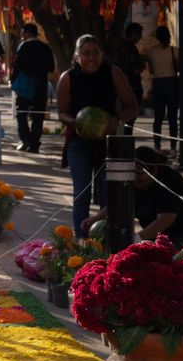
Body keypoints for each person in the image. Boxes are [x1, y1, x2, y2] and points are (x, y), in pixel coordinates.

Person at [55, 35, 139, 237]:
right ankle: (82, 242)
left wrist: (116, 119)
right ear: (77, 56)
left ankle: (105, 243)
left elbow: (133, 107)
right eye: (85, 53)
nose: (91, 58)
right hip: (78, 142)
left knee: (107, 195)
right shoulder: (67, 78)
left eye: (95, 53)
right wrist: (76, 122)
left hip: (107, 143)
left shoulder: (113, 73)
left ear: (102, 55)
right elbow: (62, 113)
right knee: (81, 194)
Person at [130, 146, 183, 245]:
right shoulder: (131, 181)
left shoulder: (169, 181)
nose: (135, 178)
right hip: (161, 231)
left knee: (176, 256)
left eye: (139, 174)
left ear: (154, 169)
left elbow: (165, 220)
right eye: (131, 173)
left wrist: (137, 238)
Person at [11, 23, 55, 153]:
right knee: (38, 115)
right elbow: (51, 67)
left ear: (28, 33)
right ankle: (34, 143)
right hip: (41, 84)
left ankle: (26, 139)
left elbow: (17, 66)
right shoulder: (45, 47)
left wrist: (13, 80)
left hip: (25, 86)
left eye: (23, 33)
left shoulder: (23, 47)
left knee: (21, 113)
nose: (21, 35)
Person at [146, 25, 179, 151]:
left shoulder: (152, 51)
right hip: (171, 83)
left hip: (158, 83)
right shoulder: (174, 50)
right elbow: (179, 68)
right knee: (172, 118)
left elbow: (151, 70)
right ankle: (173, 146)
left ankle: (157, 145)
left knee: (158, 118)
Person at [111, 23, 146, 131]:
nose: (140, 37)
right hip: (132, 87)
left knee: (121, 117)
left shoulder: (117, 46)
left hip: (117, 88)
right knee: (129, 117)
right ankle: (125, 142)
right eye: (139, 34)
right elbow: (137, 68)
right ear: (134, 34)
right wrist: (143, 62)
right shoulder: (131, 48)